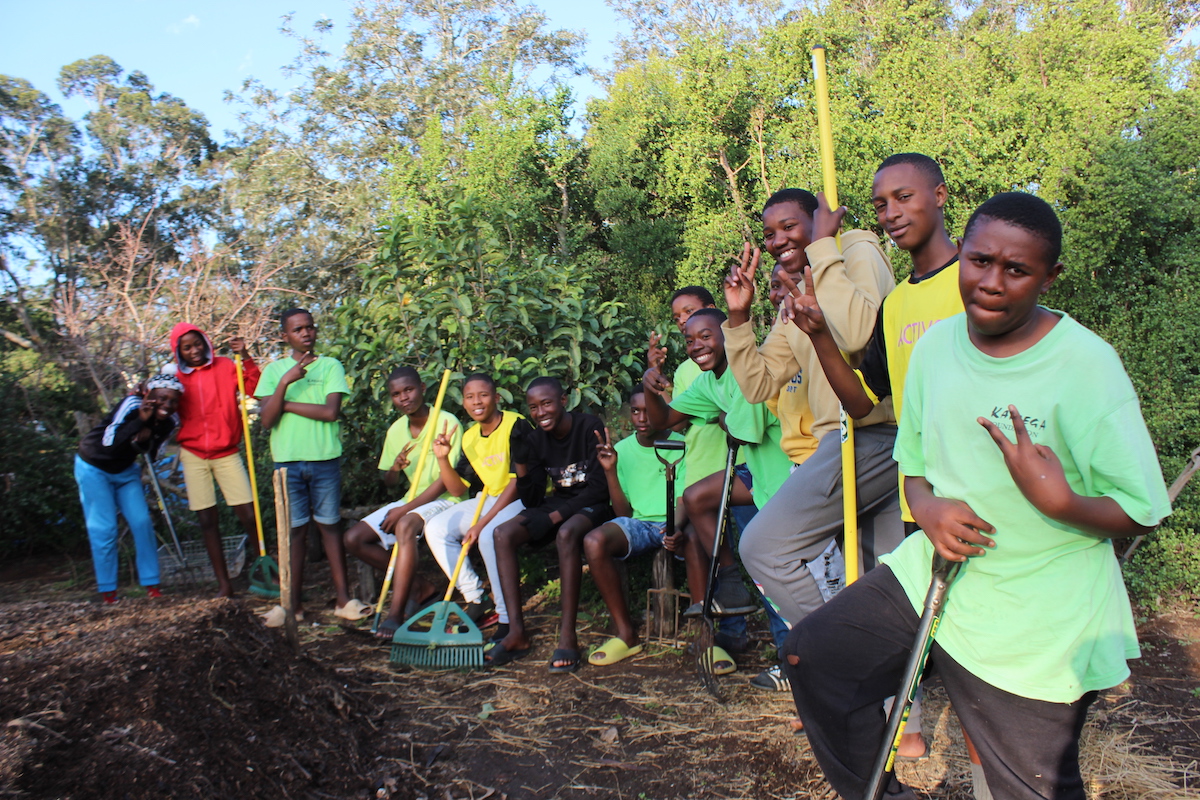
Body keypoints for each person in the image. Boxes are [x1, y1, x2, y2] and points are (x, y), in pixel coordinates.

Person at [783, 192, 1171, 800]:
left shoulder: (1087, 366)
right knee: (815, 658)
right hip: (935, 573)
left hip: (1036, 610)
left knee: (1030, 787)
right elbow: (911, 461)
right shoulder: (936, 346)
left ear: (1050, 276)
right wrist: (928, 507)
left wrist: (1059, 501)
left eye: (1016, 270)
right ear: (962, 253)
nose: (990, 283)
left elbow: (1143, 511)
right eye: (980, 261)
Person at [787, 153, 966, 762]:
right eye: (881, 203)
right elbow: (865, 405)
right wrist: (817, 337)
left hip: (983, 501)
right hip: (924, 503)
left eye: (904, 197)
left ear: (939, 195)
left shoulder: (978, 280)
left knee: (983, 676)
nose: (891, 213)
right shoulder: (896, 308)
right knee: (950, 651)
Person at [721, 187, 900, 670]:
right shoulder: (795, 290)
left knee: (763, 546)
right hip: (834, 444)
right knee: (875, 582)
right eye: (769, 234)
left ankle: (838, 662)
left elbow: (860, 330)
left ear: (819, 220)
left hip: (874, 435)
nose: (778, 241)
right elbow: (759, 383)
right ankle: (901, 720)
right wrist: (738, 318)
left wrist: (823, 250)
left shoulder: (856, 249)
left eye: (790, 227)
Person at [643, 308, 793, 676]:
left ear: (728, 335)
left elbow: (743, 432)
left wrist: (724, 418)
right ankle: (729, 583)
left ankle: (795, 658)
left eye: (706, 336)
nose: (696, 346)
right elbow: (662, 422)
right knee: (695, 497)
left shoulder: (748, 370)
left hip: (787, 481)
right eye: (690, 340)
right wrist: (650, 389)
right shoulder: (709, 383)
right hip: (758, 477)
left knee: (778, 572)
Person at [486, 376, 612, 672]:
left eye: (546, 404)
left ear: (563, 401)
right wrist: (521, 461)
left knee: (566, 533)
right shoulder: (535, 439)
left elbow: (598, 488)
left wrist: (554, 518)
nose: (540, 413)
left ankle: (568, 636)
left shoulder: (588, 426)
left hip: (591, 503)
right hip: (560, 502)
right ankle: (516, 632)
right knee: (502, 534)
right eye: (533, 407)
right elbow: (531, 500)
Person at [342, 367, 464, 638]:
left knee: (404, 526)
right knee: (353, 539)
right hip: (410, 499)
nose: (404, 398)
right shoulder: (396, 430)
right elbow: (389, 483)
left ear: (422, 388)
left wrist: (405, 509)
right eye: (396, 394)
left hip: (447, 500)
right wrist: (395, 469)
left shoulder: (446, 422)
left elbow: (446, 482)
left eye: (408, 390)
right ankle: (420, 587)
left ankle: (395, 614)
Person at [255, 308, 354, 624]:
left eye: (310, 327)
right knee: (293, 533)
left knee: (330, 528)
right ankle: (291, 606)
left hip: (324, 460)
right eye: (298, 329)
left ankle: (343, 600)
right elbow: (267, 420)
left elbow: (330, 412)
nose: (306, 333)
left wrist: (282, 403)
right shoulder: (274, 371)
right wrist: (285, 383)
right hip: (287, 464)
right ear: (285, 336)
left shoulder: (330, 365)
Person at [422, 373, 533, 642]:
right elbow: (458, 488)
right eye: (470, 397)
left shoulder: (515, 425)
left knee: (486, 536)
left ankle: (506, 619)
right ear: (463, 402)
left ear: (496, 397)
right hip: (490, 499)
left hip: (523, 497)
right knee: (435, 528)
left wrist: (481, 523)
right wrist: (443, 459)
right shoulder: (469, 437)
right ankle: (475, 597)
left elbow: (519, 481)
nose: (477, 402)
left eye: (483, 395)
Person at [584, 385, 686, 667]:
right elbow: (623, 513)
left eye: (649, 411)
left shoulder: (681, 444)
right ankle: (626, 633)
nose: (643, 418)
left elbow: (685, 500)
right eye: (636, 411)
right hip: (640, 525)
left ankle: (708, 634)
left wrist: (675, 527)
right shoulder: (621, 450)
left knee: (703, 535)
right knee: (594, 541)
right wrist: (610, 471)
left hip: (676, 521)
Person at [169, 323, 262, 597]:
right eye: (187, 347)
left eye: (198, 344)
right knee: (207, 520)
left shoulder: (224, 366)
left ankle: (265, 568)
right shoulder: (175, 377)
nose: (194, 351)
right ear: (179, 351)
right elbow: (162, 404)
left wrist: (245, 356)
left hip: (226, 452)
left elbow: (253, 386)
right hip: (194, 454)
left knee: (248, 514)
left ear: (206, 342)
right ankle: (224, 584)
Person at [75, 374, 183, 602]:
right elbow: (110, 445)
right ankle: (108, 591)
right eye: (162, 398)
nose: (167, 405)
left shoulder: (171, 421)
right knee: (104, 528)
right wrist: (139, 421)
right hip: (94, 466)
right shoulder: (132, 405)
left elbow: (153, 455)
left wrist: (146, 441)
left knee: (142, 521)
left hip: (125, 471)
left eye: (173, 400)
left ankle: (152, 585)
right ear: (149, 395)